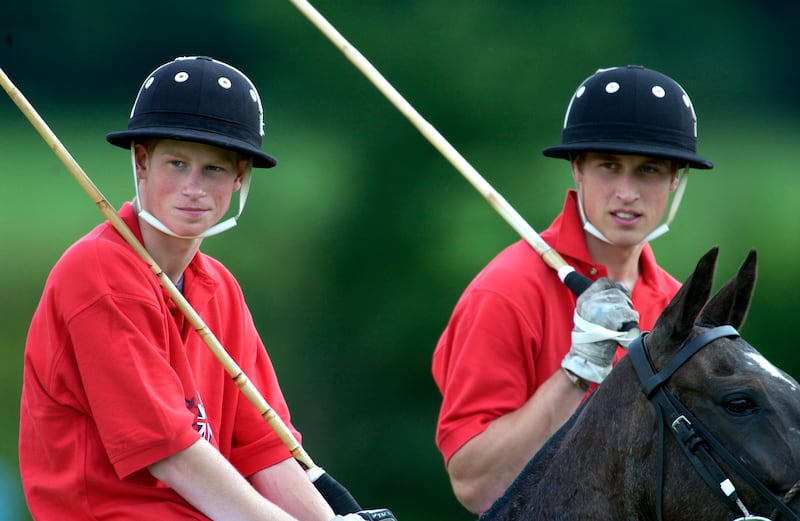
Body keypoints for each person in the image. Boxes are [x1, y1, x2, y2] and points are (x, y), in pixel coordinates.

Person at [19, 56, 384, 521]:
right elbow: (172, 454)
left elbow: (264, 450)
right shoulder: (99, 271)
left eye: (213, 169)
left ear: (239, 177)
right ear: (142, 161)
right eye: (177, 163)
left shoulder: (220, 288)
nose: (194, 187)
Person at [431, 65, 714, 514]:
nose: (627, 192)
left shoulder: (678, 309)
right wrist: (576, 373)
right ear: (577, 168)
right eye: (609, 166)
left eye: (649, 170)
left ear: (676, 179)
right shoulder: (505, 291)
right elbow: (476, 486)